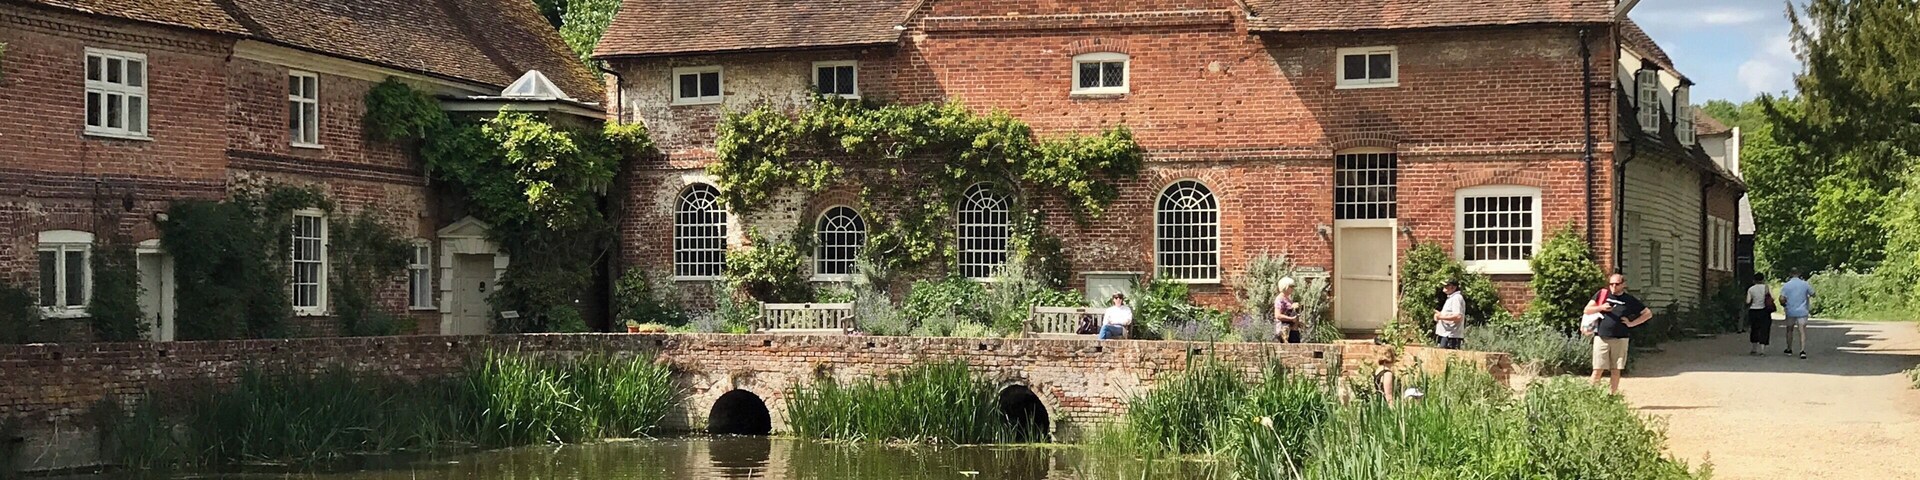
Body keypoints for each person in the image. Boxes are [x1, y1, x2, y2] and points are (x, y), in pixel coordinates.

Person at [1585, 273, 1652, 394]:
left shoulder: (1629, 300)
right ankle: (1591, 396)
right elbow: (1587, 310)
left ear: (1623, 284)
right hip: (1602, 337)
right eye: (1611, 284)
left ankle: (1612, 395)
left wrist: (1632, 323)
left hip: (1620, 338)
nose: (1614, 287)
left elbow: (1647, 313)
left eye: (1617, 284)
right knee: (1597, 369)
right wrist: (1601, 307)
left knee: (1616, 370)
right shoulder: (1602, 294)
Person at [1780, 271, 1816, 359]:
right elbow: (1813, 294)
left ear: (1790, 274)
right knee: (1802, 331)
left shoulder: (1786, 285)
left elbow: (1781, 298)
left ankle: (1789, 348)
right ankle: (1802, 350)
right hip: (1802, 311)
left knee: (1789, 330)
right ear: (1799, 274)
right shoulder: (1805, 284)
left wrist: (1784, 305)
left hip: (1790, 310)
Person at [1432, 279, 1466, 349]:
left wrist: (1440, 317)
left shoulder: (1456, 298)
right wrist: (1440, 314)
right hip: (1446, 335)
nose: (1444, 287)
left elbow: (1458, 316)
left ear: (1454, 287)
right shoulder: (1451, 298)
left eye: (1447, 285)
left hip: (1451, 336)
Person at [1745, 275, 1775, 355]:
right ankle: (1762, 350)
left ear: (1754, 280)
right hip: (1764, 311)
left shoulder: (1751, 289)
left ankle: (1754, 348)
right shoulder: (1767, 288)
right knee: (1764, 329)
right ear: (1763, 279)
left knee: (1754, 329)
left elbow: (1748, 301)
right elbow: (1773, 298)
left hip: (1753, 311)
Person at [1273, 277, 1301, 343]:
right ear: (1285, 286)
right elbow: (1278, 315)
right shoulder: (1280, 299)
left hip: (1293, 330)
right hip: (1284, 331)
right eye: (1291, 286)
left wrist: (1298, 322)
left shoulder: (1288, 299)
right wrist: (1291, 319)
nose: (1293, 289)